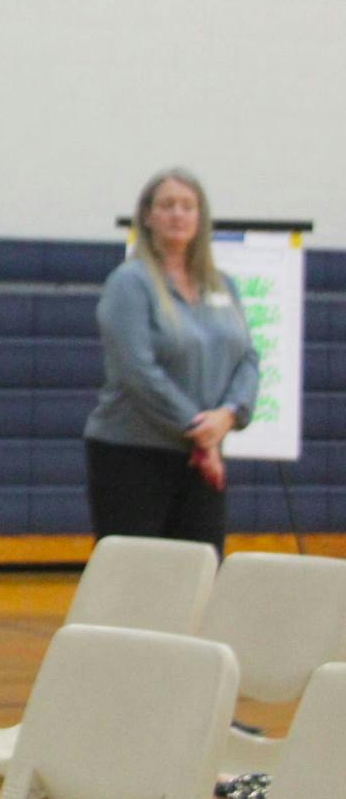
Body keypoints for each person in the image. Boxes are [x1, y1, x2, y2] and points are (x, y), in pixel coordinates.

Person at [85, 168, 259, 553]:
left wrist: (228, 414)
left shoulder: (222, 284)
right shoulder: (129, 283)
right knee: (137, 575)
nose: (178, 214)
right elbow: (137, 372)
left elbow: (247, 357)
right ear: (148, 216)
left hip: (202, 456)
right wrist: (201, 432)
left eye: (187, 206)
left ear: (200, 217)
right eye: (167, 205)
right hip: (133, 454)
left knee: (200, 569)